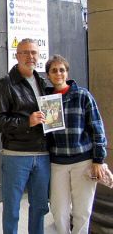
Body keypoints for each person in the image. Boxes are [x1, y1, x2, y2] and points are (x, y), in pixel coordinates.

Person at [0, 38, 50, 234]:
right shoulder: (4, 84)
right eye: (25, 52)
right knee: (12, 209)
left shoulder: (42, 81)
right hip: (16, 155)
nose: (30, 56)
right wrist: (26, 122)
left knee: (40, 207)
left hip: (42, 155)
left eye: (33, 52)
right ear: (17, 56)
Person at [45, 54, 107, 234]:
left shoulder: (82, 95)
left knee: (82, 211)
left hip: (83, 162)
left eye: (62, 70)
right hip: (58, 163)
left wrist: (98, 160)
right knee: (59, 210)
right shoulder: (46, 100)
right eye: (54, 70)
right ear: (48, 75)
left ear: (67, 72)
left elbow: (97, 127)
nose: (58, 73)